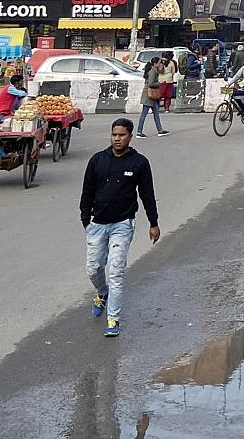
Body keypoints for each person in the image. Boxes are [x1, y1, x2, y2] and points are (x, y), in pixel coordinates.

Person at [81, 118, 160, 339]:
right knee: (93, 268)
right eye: (114, 135)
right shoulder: (97, 160)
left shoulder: (139, 163)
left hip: (123, 225)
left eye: (122, 135)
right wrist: (86, 220)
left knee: (116, 272)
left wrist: (153, 222)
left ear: (130, 136)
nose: (117, 139)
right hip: (97, 224)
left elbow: (147, 194)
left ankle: (113, 318)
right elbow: (86, 192)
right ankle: (101, 293)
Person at [137, 56, 167, 137]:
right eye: (159, 62)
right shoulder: (152, 72)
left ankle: (160, 130)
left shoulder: (152, 71)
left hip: (152, 96)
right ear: (155, 63)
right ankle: (139, 131)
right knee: (144, 114)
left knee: (156, 113)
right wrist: (160, 84)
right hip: (149, 95)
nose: (160, 64)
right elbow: (151, 83)